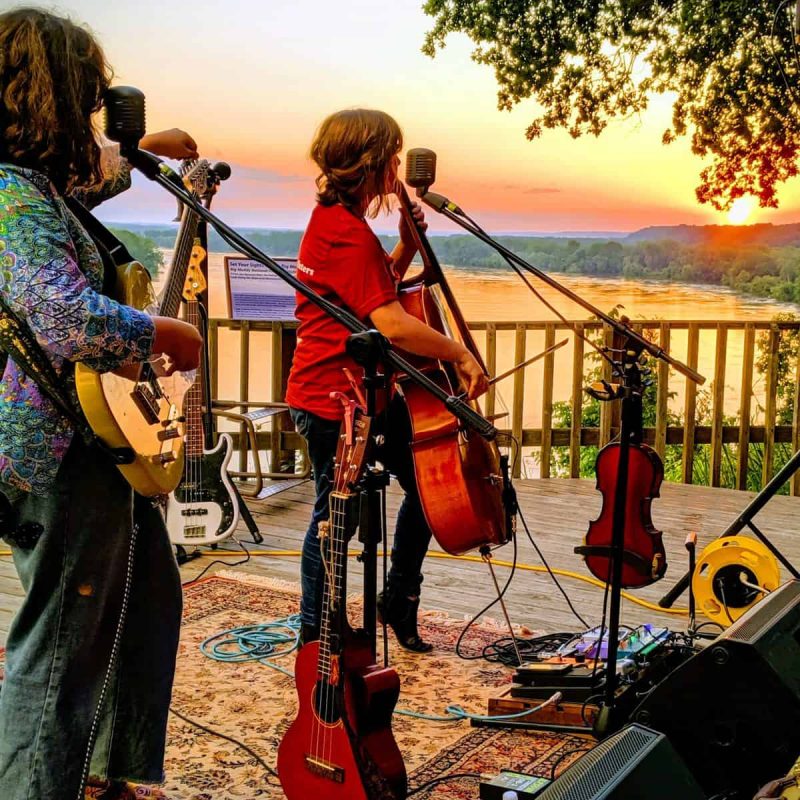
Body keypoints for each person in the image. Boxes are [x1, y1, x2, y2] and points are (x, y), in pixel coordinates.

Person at [0, 8, 203, 800]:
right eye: (86, 88)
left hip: (89, 439)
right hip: (55, 448)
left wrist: (144, 149)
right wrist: (160, 332)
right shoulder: (11, 194)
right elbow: (59, 316)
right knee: (60, 651)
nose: (96, 102)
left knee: (146, 598)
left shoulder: (34, 186)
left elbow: (88, 182)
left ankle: (111, 775)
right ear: (51, 89)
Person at [285, 108, 488, 653]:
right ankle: (317, 633)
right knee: (335, 519)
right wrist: (460, 353)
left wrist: (403, 245)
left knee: (429, 486)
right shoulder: (343, 232)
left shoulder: (341, 224)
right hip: (335, 400)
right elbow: (392, 323)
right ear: (371, 162)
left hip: (369, 393)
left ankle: (397, 597)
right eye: (392, 156)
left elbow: (375, 291)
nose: (398, 166)